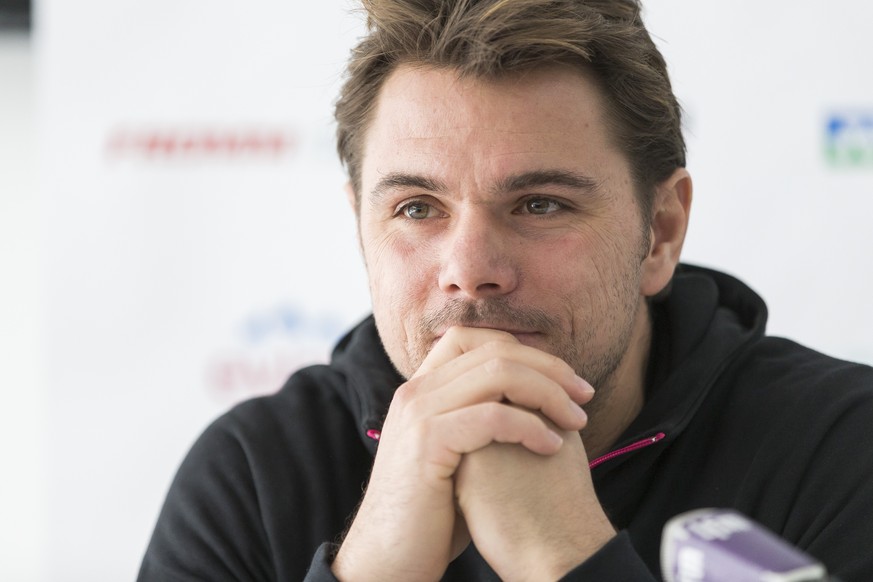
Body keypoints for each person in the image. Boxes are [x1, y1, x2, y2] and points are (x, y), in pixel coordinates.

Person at [138, 0, 873, 580]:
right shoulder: (255, 471)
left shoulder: (846, 447)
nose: (469, 268)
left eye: (539, 204)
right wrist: (372, 573)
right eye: (416, 209)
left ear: (659, 231)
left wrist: (566, 558)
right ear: (360, 229)